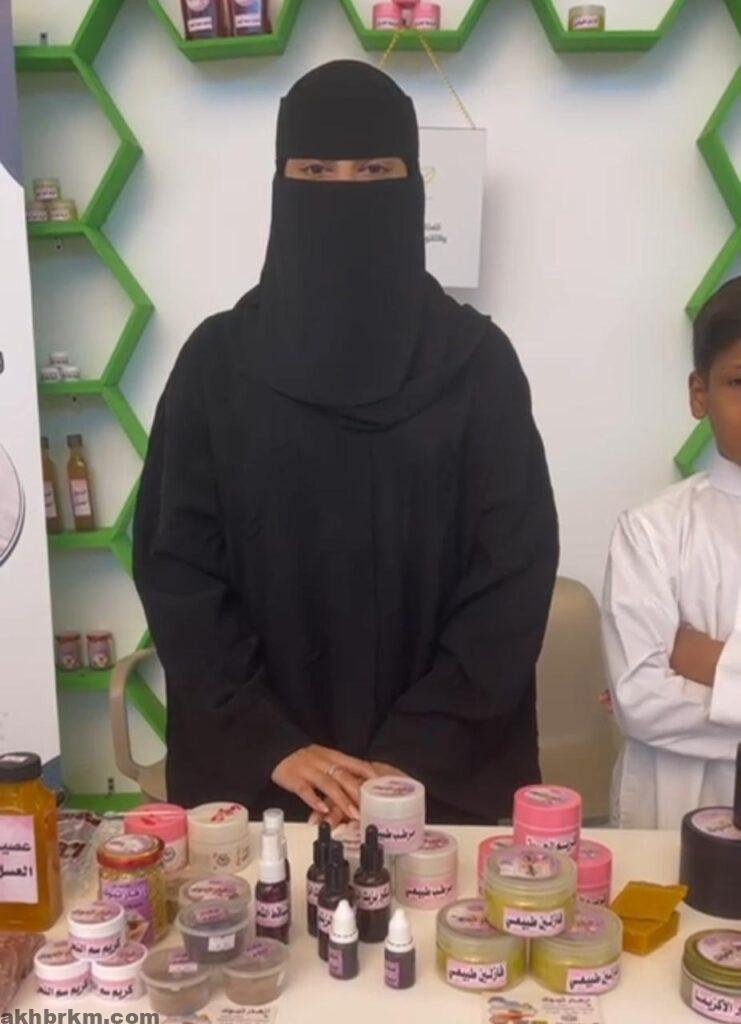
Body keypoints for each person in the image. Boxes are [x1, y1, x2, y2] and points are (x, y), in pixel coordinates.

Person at [133, 60, 558, 826]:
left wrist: (412, 755)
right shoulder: (217, 364)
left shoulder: (476, 364)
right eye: (316, 170)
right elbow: (178, 567)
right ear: (281, 184)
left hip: (435, 782)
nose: (343, 189)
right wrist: (271, 742)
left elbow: (511, 575)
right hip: (264, 780)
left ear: (410, 185)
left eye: (372, 170)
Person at [602, 276, 741, 829]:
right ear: (698, 393)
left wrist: (707, 663)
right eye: (740, 381)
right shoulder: (651, 532)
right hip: (668, 814)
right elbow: (639, 702)